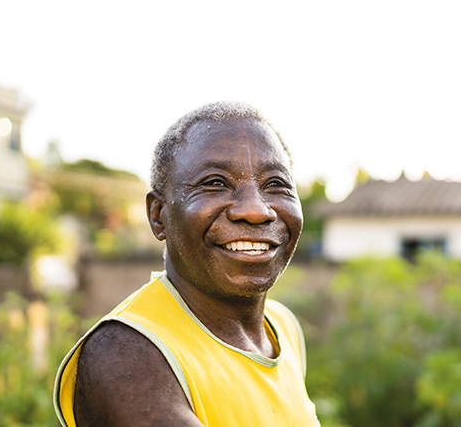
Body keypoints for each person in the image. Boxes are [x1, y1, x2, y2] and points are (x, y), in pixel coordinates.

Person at [52, 102, 319, 426]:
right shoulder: (128, 353)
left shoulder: (283, 328)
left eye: (275, 184)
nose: (256, 210)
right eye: (216, 183)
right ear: (158, 215)